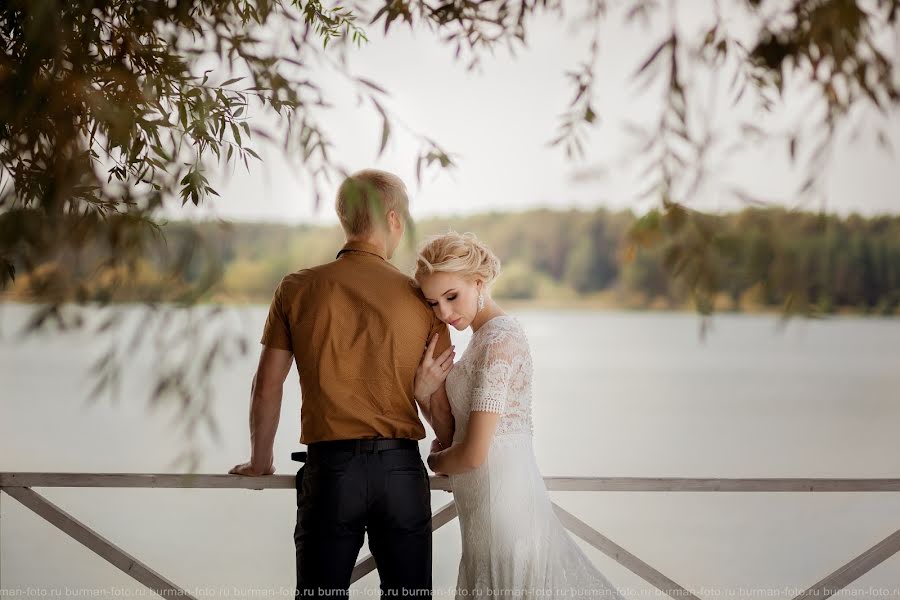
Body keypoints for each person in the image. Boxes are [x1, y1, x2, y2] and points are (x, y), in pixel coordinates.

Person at [228, 169, 454, 600]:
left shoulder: (296, 289)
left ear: (344, 218)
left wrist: (260, 462)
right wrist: (447, 448)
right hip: (401, 474)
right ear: (392, 219)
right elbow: (439, 403)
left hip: (330, 474)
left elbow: (266, 386)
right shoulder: (420, 300)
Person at [413, 231, 625, 600]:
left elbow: (472, 454)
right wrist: (422, 395)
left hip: (506, 514)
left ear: (478, 283)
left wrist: (434, 460)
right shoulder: (480, 341)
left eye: (452, 297)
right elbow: (457, 436)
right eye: (433, 303)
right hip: (480, 515)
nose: (444, 314)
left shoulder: (501, 339)